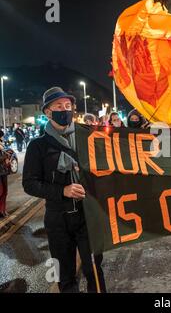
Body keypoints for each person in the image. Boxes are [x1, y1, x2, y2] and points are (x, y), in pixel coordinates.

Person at [23, 87, 106, 293]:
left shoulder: (87, 138)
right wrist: (63, 190)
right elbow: (30, 183)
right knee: (65, 275)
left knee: (94, 270)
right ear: (48, 112)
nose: (65, 109)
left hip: (88, 217)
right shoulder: (38, 146)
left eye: (68, 105)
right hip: (58, 220)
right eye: (59, 106)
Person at [0, 131, 9, 218]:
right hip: (1, 172)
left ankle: (3, 210)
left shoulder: (2, 147)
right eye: (2, 136)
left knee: (5, 192)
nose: (3, 138)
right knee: (1, 192)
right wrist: (5, 157)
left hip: (3, 171)